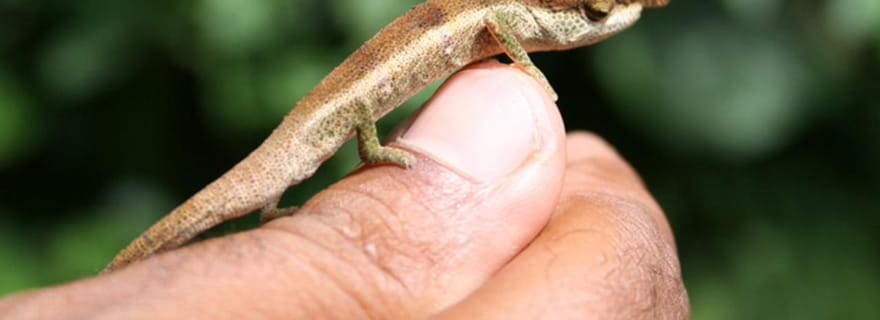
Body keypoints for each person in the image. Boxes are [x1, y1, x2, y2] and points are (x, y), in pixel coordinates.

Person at [0, 61, 689, 319]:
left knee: (255, 195)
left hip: (309, 137)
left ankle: (264, 212)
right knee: (235, 198)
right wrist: (382, 155)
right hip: (327, 121)